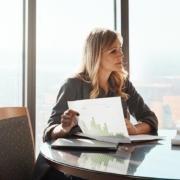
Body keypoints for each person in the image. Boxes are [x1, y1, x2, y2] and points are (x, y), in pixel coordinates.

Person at [33, 28, 158, 180]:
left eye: (120, 49)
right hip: (66, 170)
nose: (121, 54)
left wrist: (134, 130)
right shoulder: (73, 84)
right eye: (113, 51)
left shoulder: (122, 84)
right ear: (96, 55)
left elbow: (150, 119)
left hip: (108, 164)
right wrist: (64, 128)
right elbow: (48, 133)